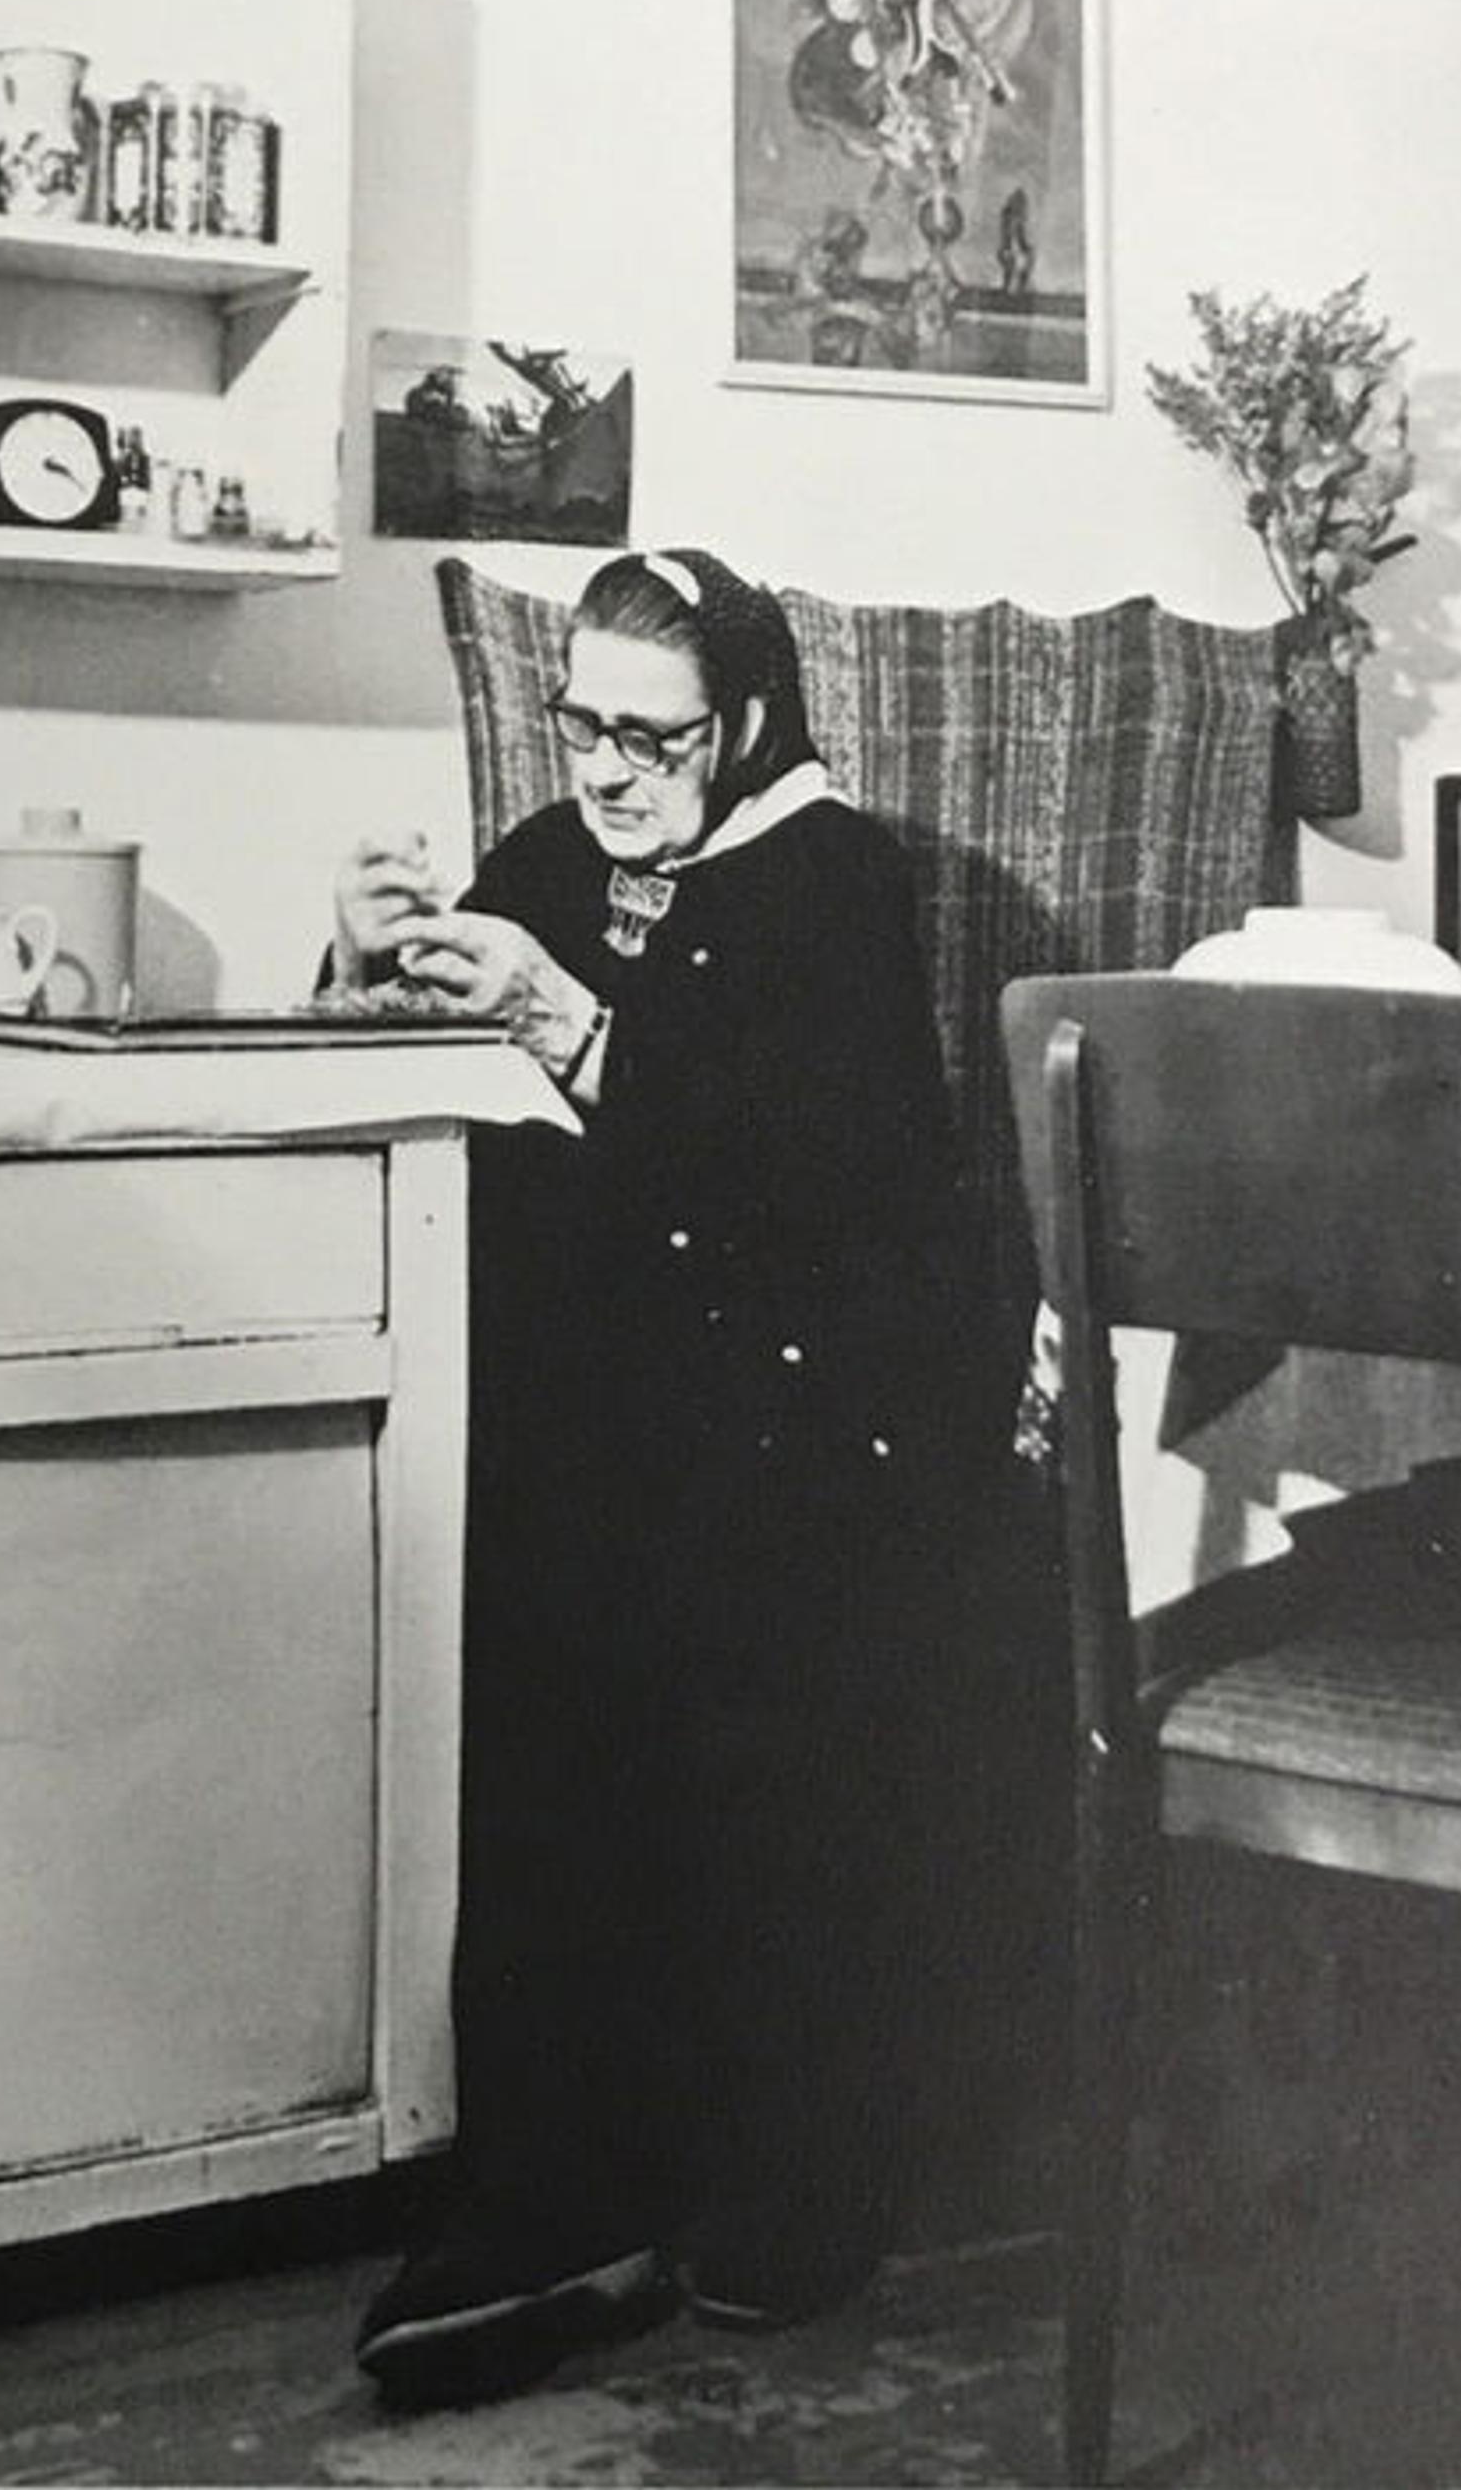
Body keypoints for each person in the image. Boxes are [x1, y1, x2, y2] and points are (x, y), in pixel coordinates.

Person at [332, 546, 1000, 2410]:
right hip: (588, 1408)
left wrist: (580, 1021)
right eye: (587, 726)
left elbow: (835, 1198)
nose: (610, 771)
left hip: (790, 1431)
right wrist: (371, 948)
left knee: (754, 1763)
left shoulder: (830, 878)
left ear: (752, 721)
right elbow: (462, 1035)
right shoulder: (555, 848)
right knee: (545, 1733)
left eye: (655, 736)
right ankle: (556, 2186)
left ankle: (783, 2193)